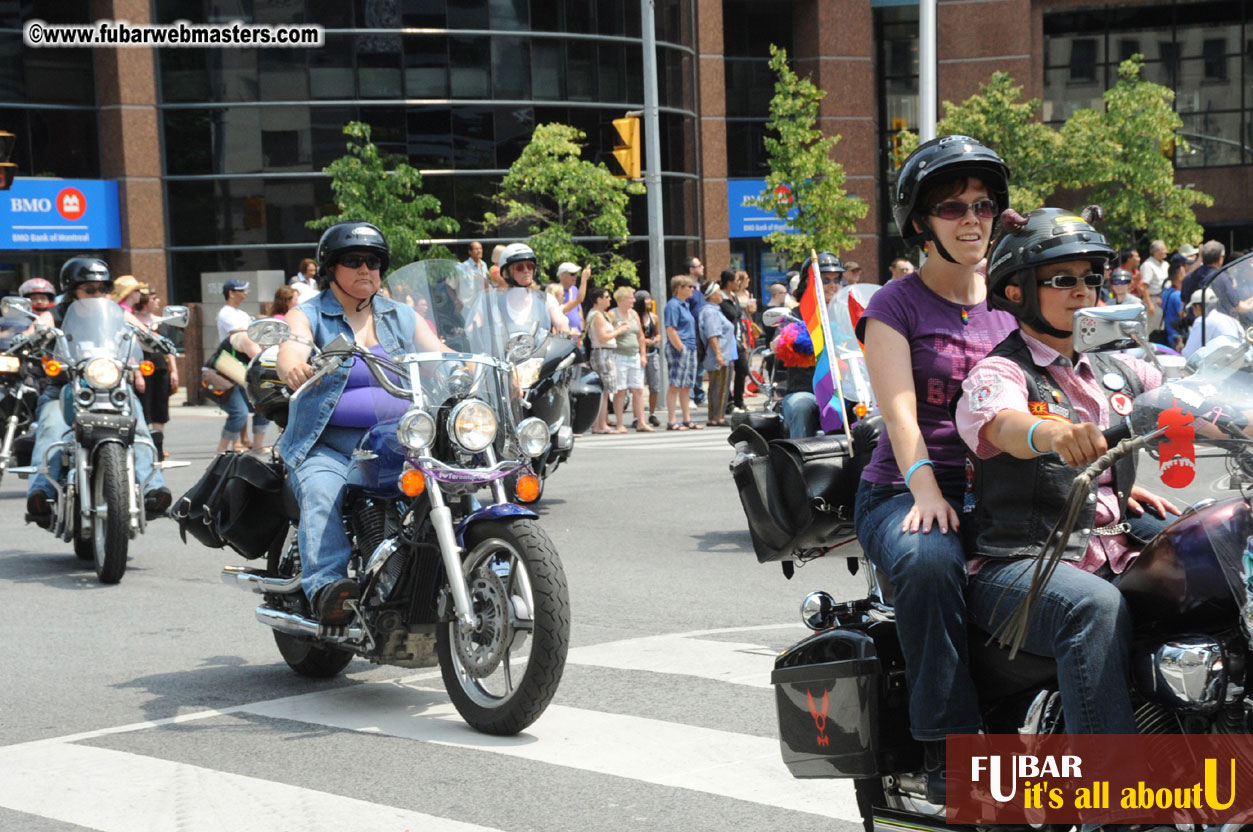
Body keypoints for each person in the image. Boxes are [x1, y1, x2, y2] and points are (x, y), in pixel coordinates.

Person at [956, 205, 1178, 738]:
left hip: (1114, 535)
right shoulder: (1000, 370)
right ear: (1016, 292)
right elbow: (1004, 422)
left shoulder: (1121, 367)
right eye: (1062, 279)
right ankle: (1111, 806)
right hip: (1020, 559)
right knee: (1094, 607)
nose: (1084, 291)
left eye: (1090, 278)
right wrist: (1054, 432)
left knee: (1215, 553)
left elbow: (1188, 400)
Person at [853, 135, 1017, 804]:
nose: (971, 219)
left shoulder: (1014, 297)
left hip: (1006, 485)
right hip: (903, 486)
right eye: (951, 207)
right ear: (919, 222)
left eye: (982, 204)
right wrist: (923, 487)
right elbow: (900, 415)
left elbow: (1060, 398)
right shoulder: (894, 305)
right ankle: (946, 751)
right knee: (927, 562)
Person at [277, 221, 446, 625]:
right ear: (330, 268)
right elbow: (292, 344)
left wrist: (499, 368)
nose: (365, 270)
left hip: (398, 441)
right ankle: (328, 589)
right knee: (322, 494)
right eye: (353, 261)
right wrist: (293, 367)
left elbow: (440, 353)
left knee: (452, 485)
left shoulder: (399, 316)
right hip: (328, 445)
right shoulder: (310, 314)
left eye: (373, 262)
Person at [25, 257, 170, 527]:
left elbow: (140, 330)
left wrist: (157, 339)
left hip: (112, 387)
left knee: (139, 429)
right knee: (51, 427)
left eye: (103, 289)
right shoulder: (56, 312)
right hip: (65, 389)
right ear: (72, 290)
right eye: (90, 289)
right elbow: (39, 325)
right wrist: (32, 335)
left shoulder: (115, 312)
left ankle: (152, 489)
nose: (98, 295)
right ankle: (41, 494)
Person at [774, 252, 845, 438]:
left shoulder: (845, 314)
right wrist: (793, 339)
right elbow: (777, 343)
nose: (832, 286)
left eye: (836, 280)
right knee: (801, 407)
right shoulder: (795, 314)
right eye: (826, 280)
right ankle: (800, 461)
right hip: (805, 390)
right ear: (809, 282)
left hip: (845, 389)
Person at [214, 279, 269, 454]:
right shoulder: (226, 313)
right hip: (232, 363)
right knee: (240, 410)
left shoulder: (242, 314)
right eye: (241, 290)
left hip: (248, 363)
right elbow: (240, 334)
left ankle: (249, 442)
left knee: (257, 404)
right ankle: (231, 445)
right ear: (231, 293)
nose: (245, 293)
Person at [132, 289, 177, 460]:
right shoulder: (133, 322)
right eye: (154, 298)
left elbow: (170, 348)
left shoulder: (161, 322)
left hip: (161, 368)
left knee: (160, 408)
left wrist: (174, 371)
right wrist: (137, 375)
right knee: (144, 408)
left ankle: (159, 446)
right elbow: (131, 351)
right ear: (145, 301)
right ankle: (145, 447)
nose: (158, 301)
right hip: (142, 369)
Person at [497, 243, 571, 334]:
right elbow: (478, 324)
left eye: (530, 266)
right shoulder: (496, 302)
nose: (526, 270)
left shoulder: (545, 299)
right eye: (520, 267)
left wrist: (564, 332)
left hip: (540, 348)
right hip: (504, 348)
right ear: (507, 273)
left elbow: (561, 323)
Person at [586, 285, 629, 433]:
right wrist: (619, 330)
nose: (610, 299)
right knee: (604, 391)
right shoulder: (597, 316)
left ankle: (600, 423)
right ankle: (600, 425)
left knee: (604, 391)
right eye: (606, 297)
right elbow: (603, 337)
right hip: (602, 353)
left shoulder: (599, 314)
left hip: (604, 353)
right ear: (598, 300)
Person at [609, 286, 651, 432]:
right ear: (622, 299)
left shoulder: (633, 314)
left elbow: (640, 335)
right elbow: (607, 333)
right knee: (620, 391)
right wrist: (618, 330)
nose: (634, 300)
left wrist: (643, 354)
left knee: (638, 390)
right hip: (619, 355)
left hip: (634, 355)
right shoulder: (612, 314)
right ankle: (620, 423)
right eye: (630, 297)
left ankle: (641, 422)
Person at [698, 279, 736, 427]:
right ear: (712, 295)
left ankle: (714, 416)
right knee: (718, 386)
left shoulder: (714, 310)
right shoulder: (710, 312)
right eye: (718, 292)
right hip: (717, 356)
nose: (721, 295)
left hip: (721, 355)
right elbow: (712, 335)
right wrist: (719, 354)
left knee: (718, 386)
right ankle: (717, 418)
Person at [664, 275, 699, 430]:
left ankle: (687, 418)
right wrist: (681, 348)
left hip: (690, 347)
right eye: (689, 287)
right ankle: (672, 420)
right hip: (680, 347)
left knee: (686, 385)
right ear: (679, 288)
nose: (692, 289)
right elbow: (670, 329)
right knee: (675, 384)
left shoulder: (685, 305)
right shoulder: (673, 305)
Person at [1182, 288, 1243, 357]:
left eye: (1193, 308)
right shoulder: (1231, 320)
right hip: (1239, 363)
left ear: (1198, 307)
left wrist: (1181, 347)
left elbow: (1188, 354)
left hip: (1223, 365)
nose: (1193, 311)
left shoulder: (1202, 321)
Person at [634, 289, 662, 427]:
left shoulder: (654, 317)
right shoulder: (635, 317)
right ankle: (636, 416)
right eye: (646, 299)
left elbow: (658, 334)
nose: (649, 302)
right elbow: (635, 336)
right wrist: (644, 341)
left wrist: (656, 339)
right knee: (637, 386)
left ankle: (652, 413)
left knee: (655, 385)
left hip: (652, 353)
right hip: (638, 354)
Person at [685, 256, 707, 406]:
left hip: (702, 331)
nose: (702, 267)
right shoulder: (687, 288)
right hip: (691, 331)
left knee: (700, 365)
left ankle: (699, 395)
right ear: (691, 269)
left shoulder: (701, 287)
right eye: (699, 265)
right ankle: (691, 396)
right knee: (691, 366)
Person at [557, 262, 590, 334]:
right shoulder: (555, 290)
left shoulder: (574, 289)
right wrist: (584, 279)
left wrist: (582, 328)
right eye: (572, 274)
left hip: (577, 335)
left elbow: (579, 309)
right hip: (563, 335)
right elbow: (580, 299)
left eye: (576, 274)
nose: (575, 277)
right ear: (562, 275)